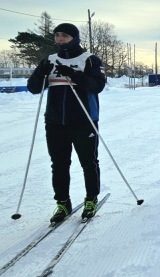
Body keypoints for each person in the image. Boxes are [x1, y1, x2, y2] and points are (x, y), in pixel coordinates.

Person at [27, 23, 106, 223]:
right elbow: (34, 88)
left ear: (75, 38)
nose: (60, 39)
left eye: (64, 36)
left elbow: (97, 86)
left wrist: (74, 74)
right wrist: (40, 73)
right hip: (55, 122)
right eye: (57, 36)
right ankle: (63, 202)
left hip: (84, 120)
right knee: (59, 165)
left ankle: (91, 198)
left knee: (89, 162)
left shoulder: (89, 60)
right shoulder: (49, 60)